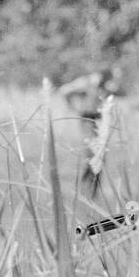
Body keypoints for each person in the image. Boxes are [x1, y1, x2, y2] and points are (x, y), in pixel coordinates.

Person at [58, 67, 122, 195]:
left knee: (100, 154)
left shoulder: (104, 85)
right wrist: (72, 107)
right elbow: (64, 90)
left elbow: (118, 91)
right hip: (88, 119)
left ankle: (93, 190)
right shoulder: (86, 82)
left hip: (99, 120)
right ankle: (84, 188)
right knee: (91, 153)